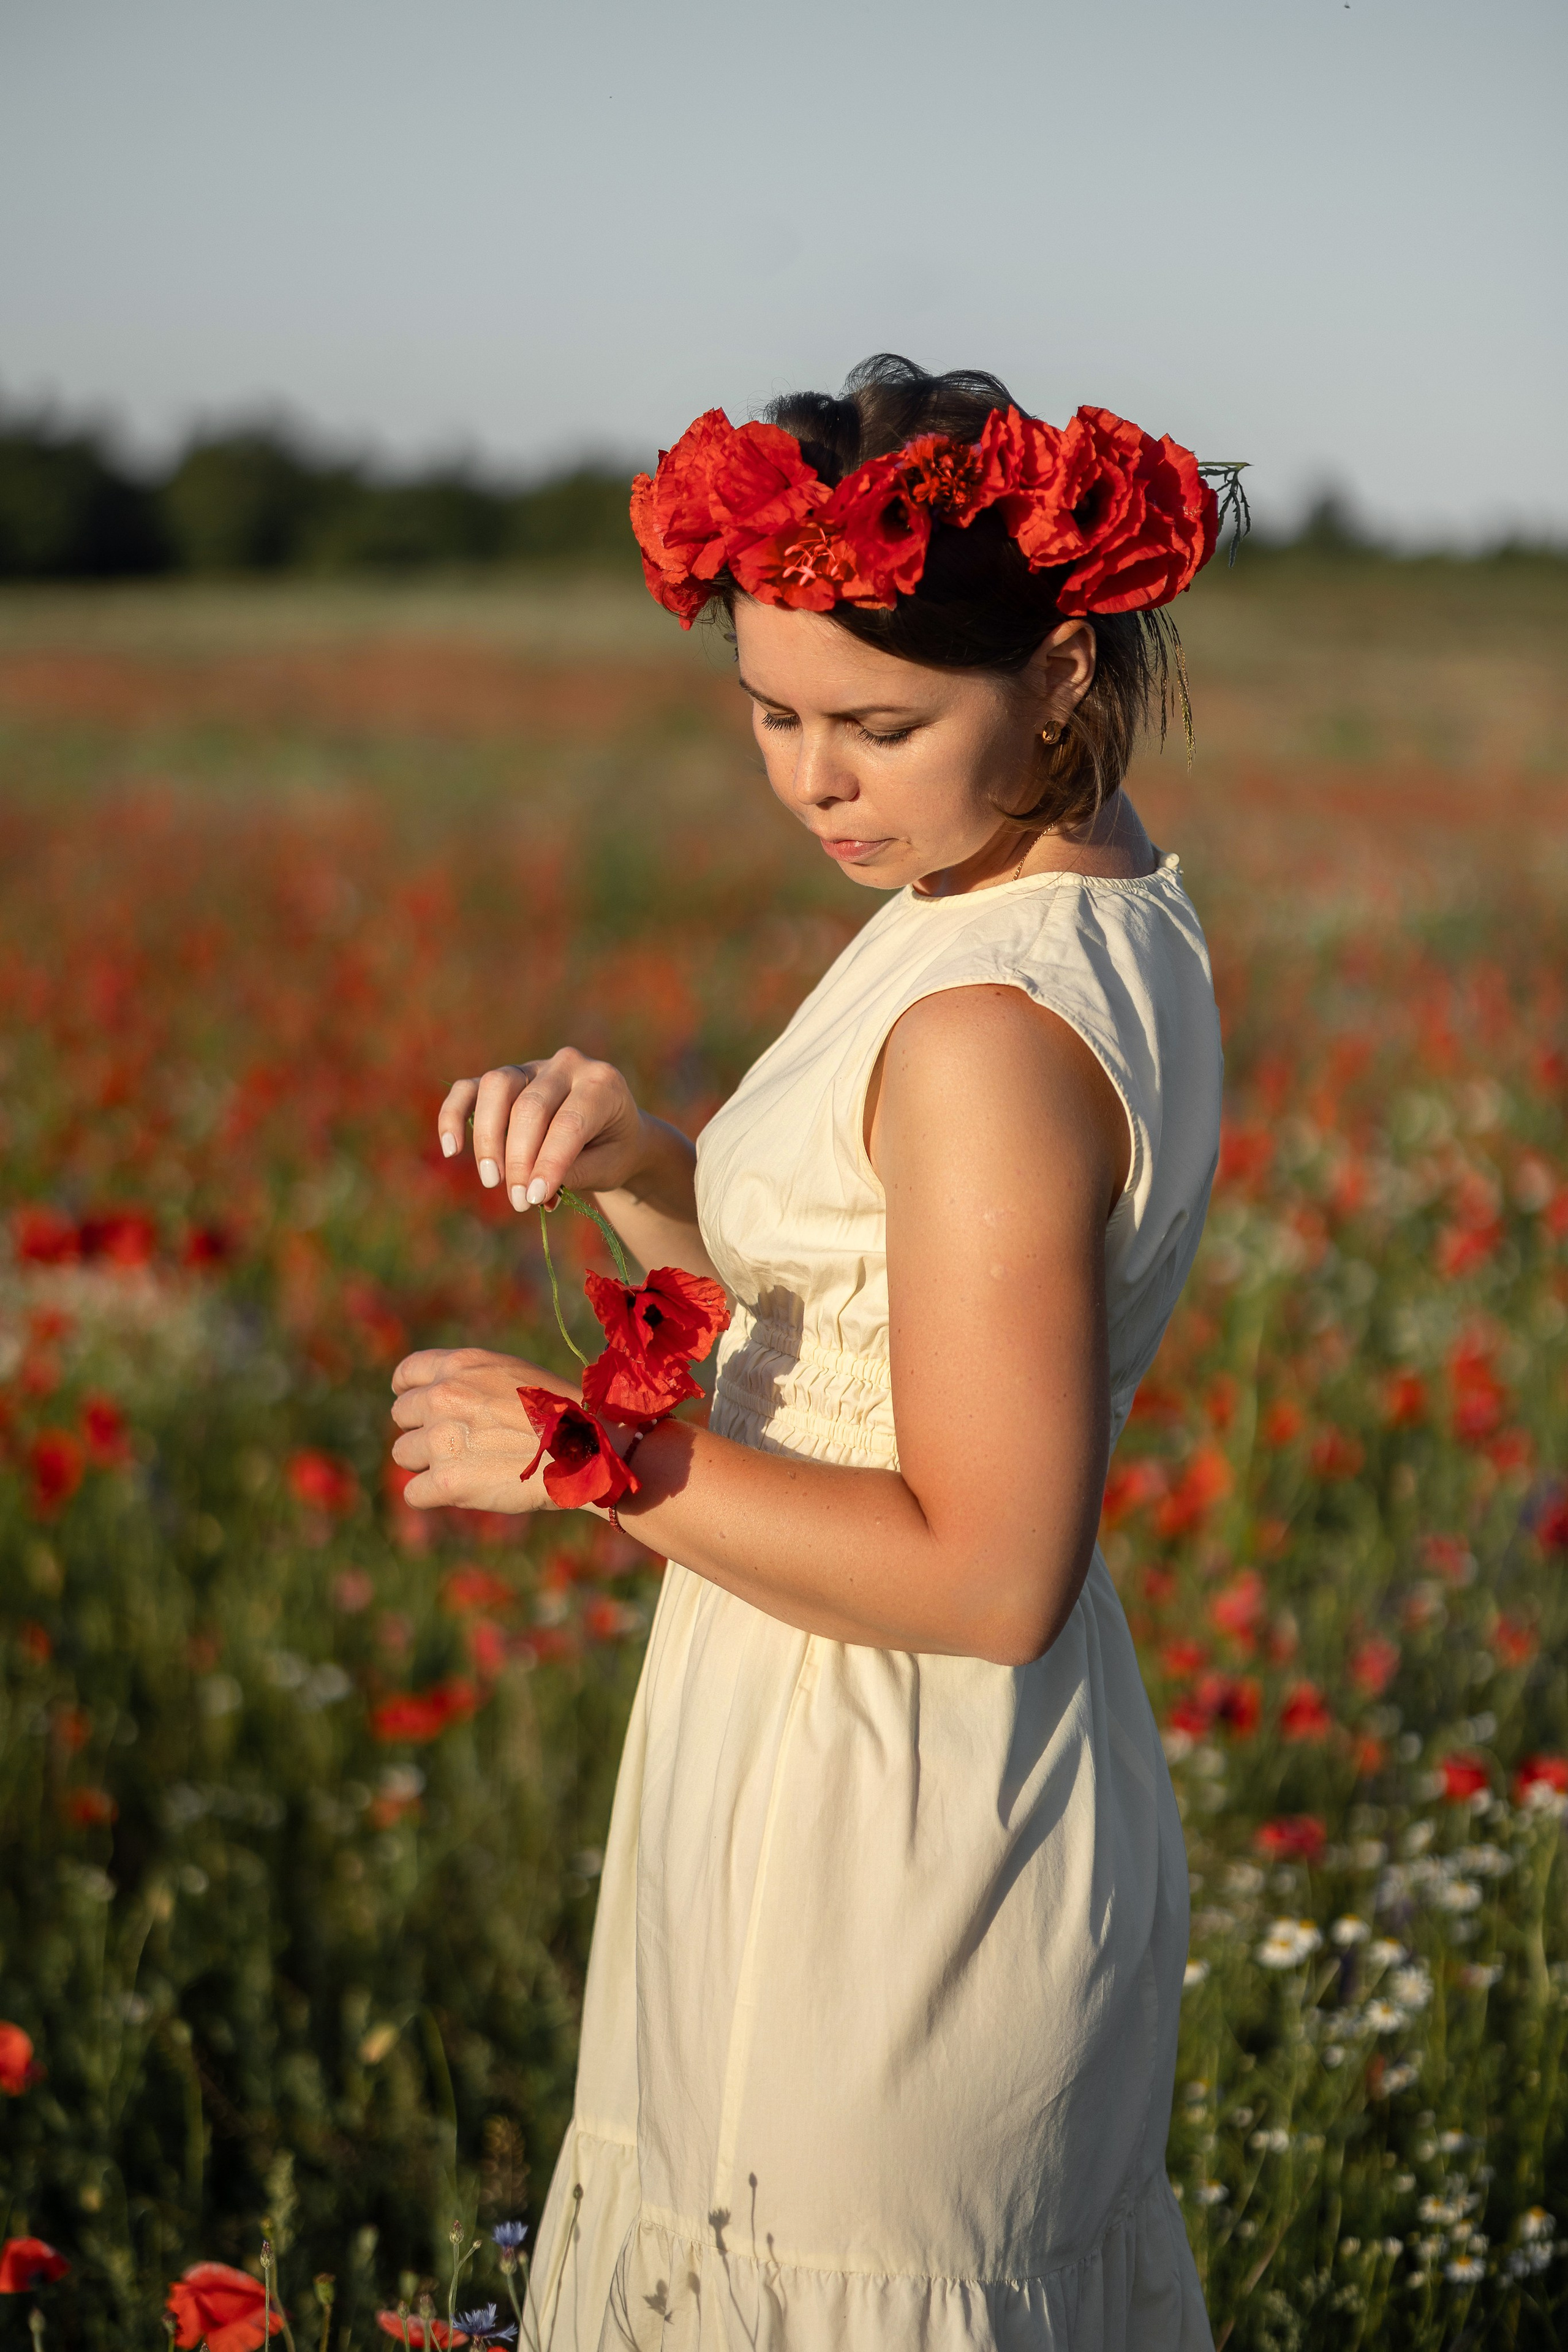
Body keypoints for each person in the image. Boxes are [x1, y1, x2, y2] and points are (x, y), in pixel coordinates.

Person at [390, 356, 1227, 2350]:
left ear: (1062, 673)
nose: (815, 780)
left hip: (893, 1834)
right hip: (853, 1753)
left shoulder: (986, 1027)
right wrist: (648, 1173)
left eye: (880, 721)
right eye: (770, 712)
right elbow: (864, 1331)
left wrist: (586, 1453)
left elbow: (987, 1570)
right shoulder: (1049, 897)